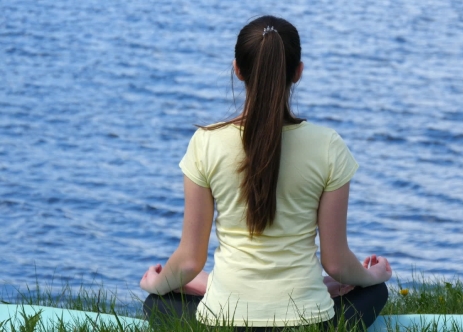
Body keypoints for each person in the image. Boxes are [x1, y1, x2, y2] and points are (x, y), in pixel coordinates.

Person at [139, 15, 392, 331]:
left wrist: (157, 284)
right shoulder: (328, 146)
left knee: (157, 304)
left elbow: (189, 261)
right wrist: (371, 276)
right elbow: (338, 264)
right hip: (310, 323)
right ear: (298, 73)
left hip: (224, 323)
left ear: (238, 70)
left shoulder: (206, 143)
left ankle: (209, 288)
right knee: (375, 292)